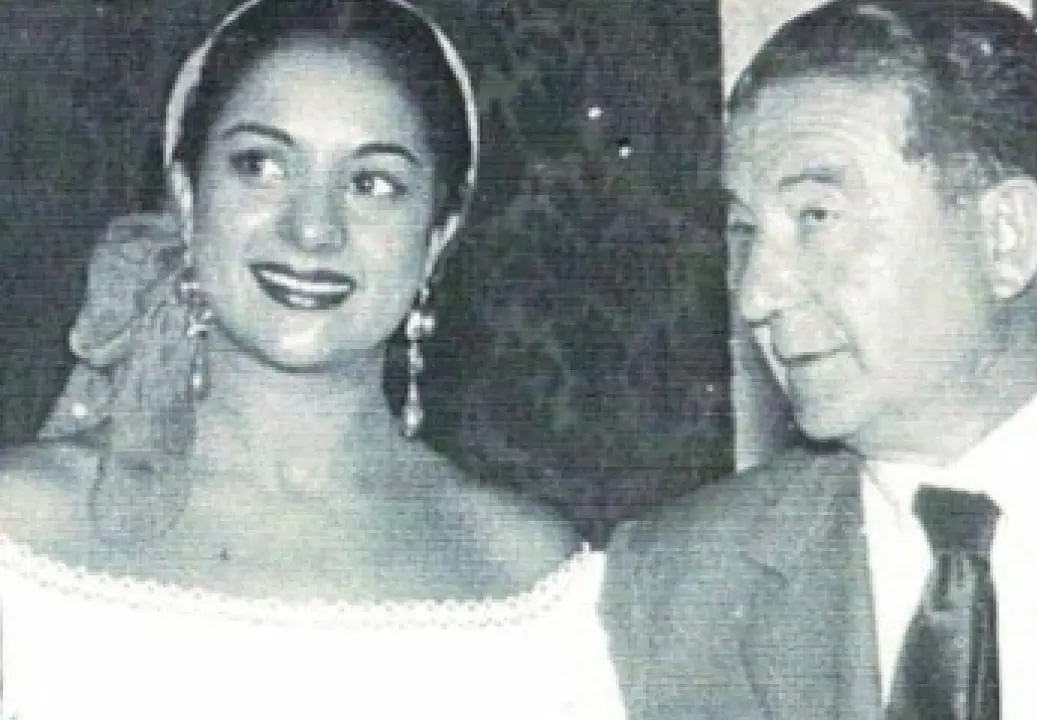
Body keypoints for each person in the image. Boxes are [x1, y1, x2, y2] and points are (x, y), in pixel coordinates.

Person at [603, 0, 1037, 717]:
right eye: (745, 232)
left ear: (1004, 236)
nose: (756, 294)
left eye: (815, 217)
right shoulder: (673, 590)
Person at [0, 1, 625, 717]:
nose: (313, 229)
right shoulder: (18, 534)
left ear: (438, 235)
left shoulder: (532, 582)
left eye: (372, 183)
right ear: (188, 197)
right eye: (260, 165)